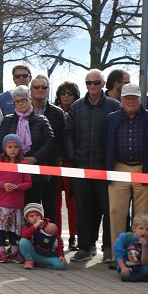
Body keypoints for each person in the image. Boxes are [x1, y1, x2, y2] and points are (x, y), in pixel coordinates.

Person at [66, 69, 122, 262]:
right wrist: (74, 155)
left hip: (105, 167)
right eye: (88, 83)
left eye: (96, 83)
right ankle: (84, 246)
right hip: (81, 166)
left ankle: (107, 248)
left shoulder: (115, 106)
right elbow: (68, 133)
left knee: (108, 209)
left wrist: (111, 160)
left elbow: (118, 136)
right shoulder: (76, 107)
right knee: (83, 208)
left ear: (104, 84)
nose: (92, 87)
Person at [105, 83, 148, 247]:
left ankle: (140, 252)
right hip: (118, 168)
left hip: (144, 169)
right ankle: (119, 253)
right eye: (127, 98)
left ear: (140, 99)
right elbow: (105, 144)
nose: (131, 101)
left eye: (134, 98)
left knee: (143, 215)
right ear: (121, 99)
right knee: (116, 212)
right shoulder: (111, 118)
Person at [0, 86, 54, 209]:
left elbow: (50, 142)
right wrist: (12, 158)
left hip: (34, 174)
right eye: (17, 101)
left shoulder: (41, 120)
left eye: (24, 100)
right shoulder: (8, 120)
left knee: (31, 211)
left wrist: (35, 158)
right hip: (11, 174)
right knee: (12, 210)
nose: (21, 103)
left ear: (30, 100)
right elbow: (0, 142)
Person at [28, 75, 66, 221]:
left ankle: (51, 241)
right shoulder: (24, 111)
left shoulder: (57, 112)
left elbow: (61, 139)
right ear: (31, 90)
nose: (40, 90)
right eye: (37, 87)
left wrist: (57, 160)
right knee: (30, 206)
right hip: (28, 166)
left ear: (48, 90)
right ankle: (28, 240)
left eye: (44, 87)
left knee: (51, 206)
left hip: (51, 166)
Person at [0, 134, 32, 263]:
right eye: (10, 147)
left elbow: (28, 183)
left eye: (15, 147)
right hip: (2, 204)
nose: (13, 150)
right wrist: (3, 185)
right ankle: (2, 251)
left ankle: (14, 252)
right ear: (5, 148)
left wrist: (17, 187)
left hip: (16, 204)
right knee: (1, 229)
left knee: (14, 229)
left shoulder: (23, 164)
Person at [53, 80, 81, 249]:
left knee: (73, 202)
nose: (66, 96)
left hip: (72, 162)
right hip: (56, 161)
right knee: (54, 201)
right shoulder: (54, 112)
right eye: (63, 93)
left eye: (70, 93)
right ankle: (56, 235)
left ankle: (73, 236)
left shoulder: (80, 111)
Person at [113, 214, 148, 283]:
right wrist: (123, 267)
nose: (144, 232)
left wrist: (144, 248)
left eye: (147, 229)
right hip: (126, 266)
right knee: (125, 276)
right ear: (134, 228)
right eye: (141, 228)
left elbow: (145, 263)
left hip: (141, 267)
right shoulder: (124, 237)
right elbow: (118, 254)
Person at [17, 203, 66, 270]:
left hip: (46, 255)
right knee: (23, 241)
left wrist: (61, 255)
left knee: (61, 265)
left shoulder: (48, 226)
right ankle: (29, 260)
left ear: (41, 217)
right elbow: (25, 235)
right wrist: (35, 226)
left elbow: (58, 240)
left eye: (37, 215)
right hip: (33, 253)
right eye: (31, 216)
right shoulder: (27, 226)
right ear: (27, 219)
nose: (35, 217)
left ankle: (42, 265)